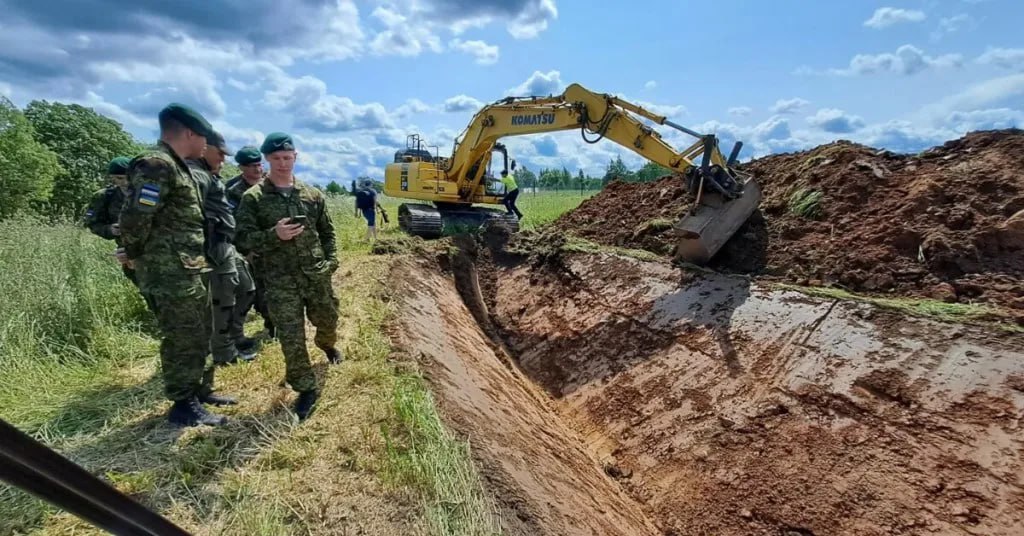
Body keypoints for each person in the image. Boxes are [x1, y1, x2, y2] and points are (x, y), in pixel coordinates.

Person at [119, 103, 233, 427]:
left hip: (187, 268)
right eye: (205, 139)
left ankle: (199, 392)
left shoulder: (178, 166)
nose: (207, 146)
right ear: (189, 133)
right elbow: (136, 217)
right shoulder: (155, 164)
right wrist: (136, 254)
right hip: (168, 271)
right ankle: (183, 405)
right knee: (181, 336)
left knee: (198, 331)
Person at [235, 132, 342, 421]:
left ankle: (327, 344)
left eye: (287, 157)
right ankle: (305, 387)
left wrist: (332, 262)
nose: (282, 163)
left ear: (295, 157)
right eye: (276, 158)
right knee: (292, 337)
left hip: (315, 274)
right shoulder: (253, 199)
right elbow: (242, 240)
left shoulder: (311, 194)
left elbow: (327, 232)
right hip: (280, 280)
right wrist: (274, 235)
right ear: (267, 160)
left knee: (328, 319)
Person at [187, 131, 258, 368]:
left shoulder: (210, 175)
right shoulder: (194, 176)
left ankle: (235, 336)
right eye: (219, 154)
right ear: (204, 148)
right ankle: (224, 352)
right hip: (212, 249)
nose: (222, 160)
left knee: (248, 289)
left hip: (228, 247)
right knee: (222, 302)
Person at [84, 157, 158, 312]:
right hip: (129, 254)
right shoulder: (105, 197)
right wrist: (110, 230)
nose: (120, 182)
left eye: (123, 177)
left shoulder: (150, 192)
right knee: (148, 292)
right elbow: (93, 223)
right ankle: (162, 323)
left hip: (157, 250)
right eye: (116, 178)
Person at [226, 146, 275, 339]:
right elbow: (231, 225)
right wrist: (245, 251)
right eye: (251, 166)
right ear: (240, 167)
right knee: (258, 292)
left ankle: (279, 324)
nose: (257, 169)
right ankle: (271, 326)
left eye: (259, 164)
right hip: (250, 250)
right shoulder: (232, 191)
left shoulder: (271, 183)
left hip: (274, 243)